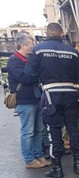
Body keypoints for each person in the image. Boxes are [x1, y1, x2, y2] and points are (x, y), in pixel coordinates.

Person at [24, 23, 79, 178]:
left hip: (51, 95)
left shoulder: (38, 50)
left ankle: (57, 168)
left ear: (47, 33)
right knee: (73, 128)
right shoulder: (71, 51)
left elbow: (29, 73)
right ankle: (78, 166)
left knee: (54, 131)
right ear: (61, 33)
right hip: (70, 94)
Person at [6, 32, 51, 169]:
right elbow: (25, 78)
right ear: (23, 45)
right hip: (24, 100)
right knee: (28, 131)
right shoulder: (14, 60)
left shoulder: (29, 59)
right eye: (31, 45)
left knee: (38, 130)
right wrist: (38, 75)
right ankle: (29, 159)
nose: (33, 48)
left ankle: (39, 156)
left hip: (36, 98)